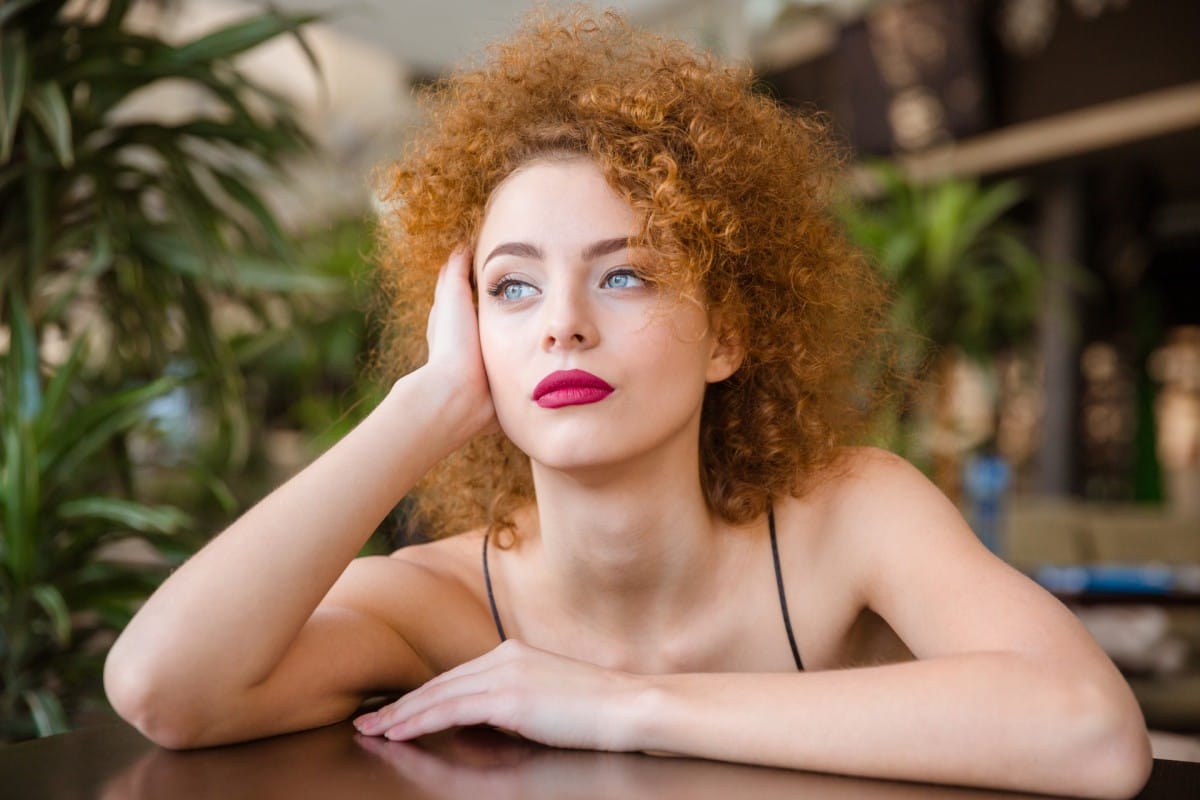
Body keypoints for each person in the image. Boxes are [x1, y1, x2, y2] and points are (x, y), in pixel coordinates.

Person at [104, 9, 1152, 798]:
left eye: (625, 275)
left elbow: (1094, 732)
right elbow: (163, 687)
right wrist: (425, 404)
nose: (561, 323)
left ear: (729, 334)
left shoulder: (851, 515)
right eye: (512, 286)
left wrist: (616, 705)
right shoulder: (440, 599)